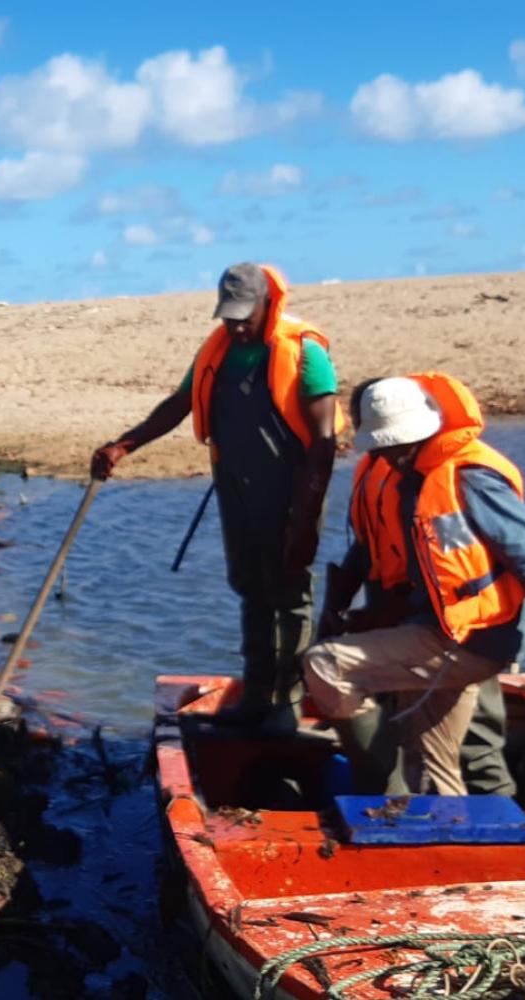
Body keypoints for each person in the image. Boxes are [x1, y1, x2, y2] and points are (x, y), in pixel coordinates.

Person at [303, 374, 525, 796]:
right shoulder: (403, 476)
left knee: (324, 664)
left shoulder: (469, 478)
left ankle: (385, 794)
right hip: (434, 632)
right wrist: (350, 609)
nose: (392, 456)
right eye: (385, 446)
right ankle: (454, 840)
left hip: (468, 642)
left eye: (400, 444)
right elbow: (376, 552)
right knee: (431, 766)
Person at [92, 263, 343, 730]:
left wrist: (305, 520)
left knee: (289, 591)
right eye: (229, 315)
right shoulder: (218, 350)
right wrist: (123, 445)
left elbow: (324, 443)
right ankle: (255, 694)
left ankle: (286, 702)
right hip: (236, 487)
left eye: (245, 314)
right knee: (250, 588)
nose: (237, 324)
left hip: (291, 491)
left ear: (270, 304)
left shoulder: (305, 352)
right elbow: (179, 403)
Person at [317, 377, 514, 795]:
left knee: (475, 729)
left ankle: (494, 799)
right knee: (413, 723)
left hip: (461, 621)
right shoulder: (379, 469)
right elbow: (367, 547)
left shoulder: (443, 473)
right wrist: (338, 607)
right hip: (403, 612)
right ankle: (399, 793)